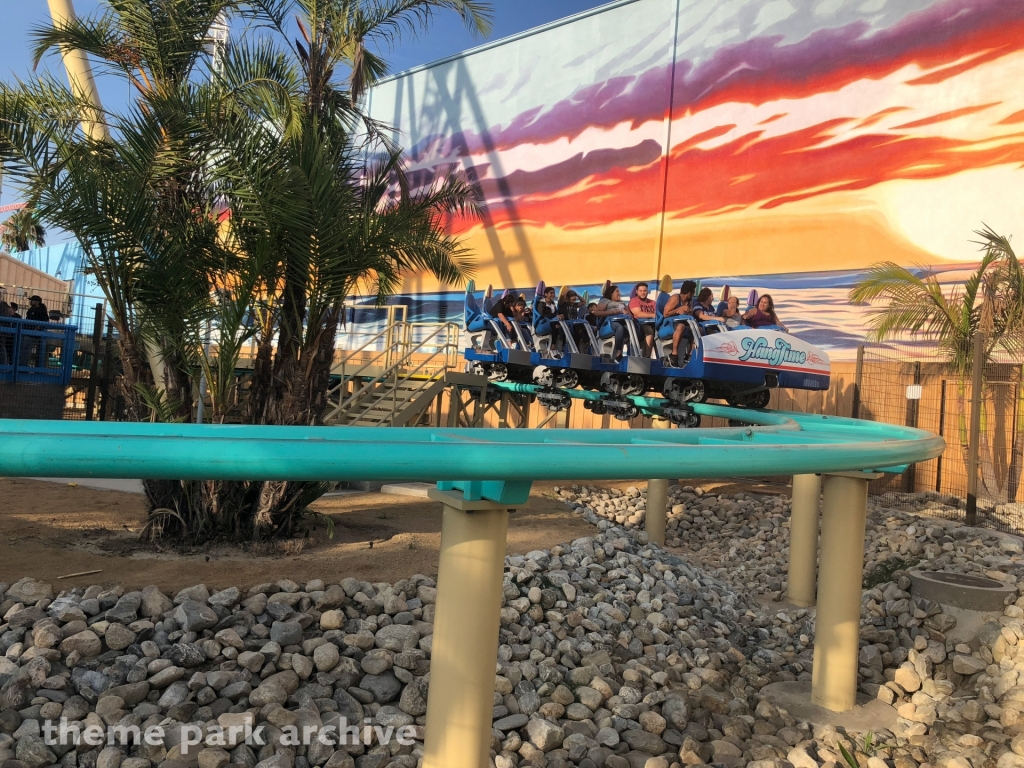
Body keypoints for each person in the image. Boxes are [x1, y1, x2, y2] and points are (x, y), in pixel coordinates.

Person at [662, 280, 696, 365]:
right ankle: (674, 354)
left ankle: (688, 354)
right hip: (670, 323)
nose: (694, 294)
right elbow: (666, 314)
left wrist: (687, 311)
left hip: (684, 322)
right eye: (693, 292)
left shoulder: (690, 301)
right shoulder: (675, 298)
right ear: (689, 293)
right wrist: (678, 310)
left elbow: (690, 313)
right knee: (681, 326)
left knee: (698, 329)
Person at [592, 284, 629, 360]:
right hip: (608, 324)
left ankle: (633, 354)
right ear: (611, 293)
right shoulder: (605, 301)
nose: (619, 293)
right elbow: (597, 313)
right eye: (617, 291)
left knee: (633, 329)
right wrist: (613, 312)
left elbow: (628, 313)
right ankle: (619, 352)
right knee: (619, 327)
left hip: (623, 322)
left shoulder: (622, 303)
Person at [628, 283, 656, 355]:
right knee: (649, 330)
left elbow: (658, 314)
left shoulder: (653, 302)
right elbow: (638, 314)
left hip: (654, 324)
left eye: (644, 291)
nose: (643, 293)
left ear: (647, 291)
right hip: (638, 325)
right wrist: (653, 315)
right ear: (636, 292)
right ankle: (647, 357)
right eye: (640, 291)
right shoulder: (634, 301)